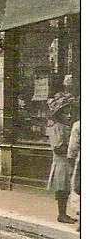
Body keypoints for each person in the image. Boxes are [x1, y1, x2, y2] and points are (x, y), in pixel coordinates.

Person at [46, 94, 77, 224]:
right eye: (65, 113)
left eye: (70, 112)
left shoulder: (67, 127)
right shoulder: (55, 128)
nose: (69, 116)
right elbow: (58, 147)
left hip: (68, 161)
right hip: (61, 162)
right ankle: (61, 214)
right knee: (62, 188)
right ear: (59, 114)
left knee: (68, 188)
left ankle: (64, 213)